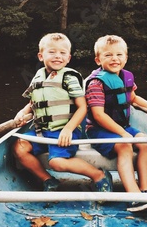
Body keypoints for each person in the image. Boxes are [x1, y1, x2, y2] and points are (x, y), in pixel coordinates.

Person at [12, 33, 113, 193]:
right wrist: (22, 113)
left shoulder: (69, 77)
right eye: (52, 52)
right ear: (41, 56)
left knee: (56, 162)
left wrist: (68, 130)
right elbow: (33, 102)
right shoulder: (37, 78)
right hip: (42, 132)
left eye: (62, 53)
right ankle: (49, 180)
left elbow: (82, 108)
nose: (57, 56)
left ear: (68, 58)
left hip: (65, 130)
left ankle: (99, 175)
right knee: (19, 148)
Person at [85, 34, 147, 213]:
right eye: (108, 55)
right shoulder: (96, 83)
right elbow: (98, 116)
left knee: (145, 142)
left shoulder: (126, 77)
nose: (115, 59)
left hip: (123, 127)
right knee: (125, 146)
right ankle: (134, 198)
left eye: (119, 55)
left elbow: (133, 98)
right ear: (98, 59)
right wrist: (123, 133)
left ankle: (145, 191)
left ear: (126, 57)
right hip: (99, 130)